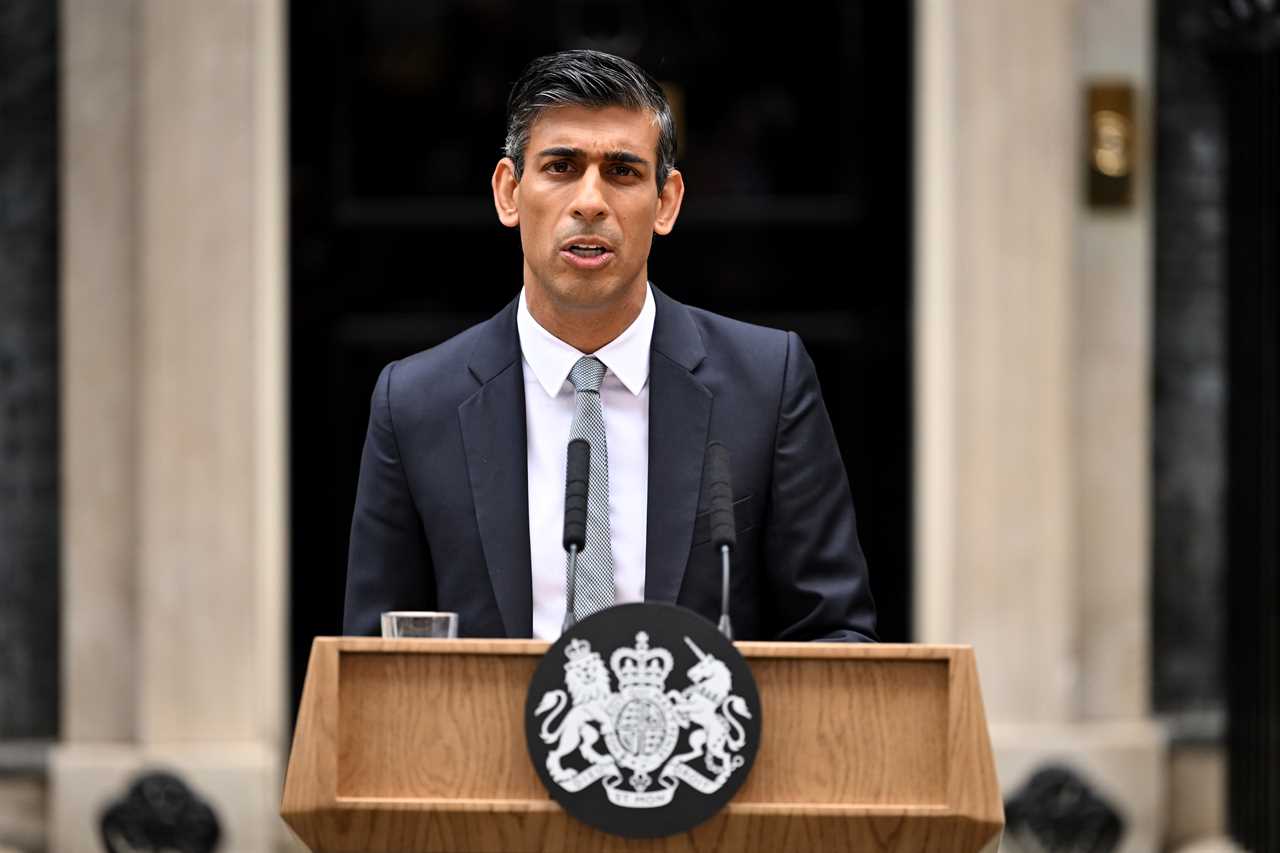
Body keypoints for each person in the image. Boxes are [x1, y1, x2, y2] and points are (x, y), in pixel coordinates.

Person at [343, 49, 876, 642]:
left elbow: (837, 636)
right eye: (561, 167)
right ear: (509, 193)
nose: (590, 201)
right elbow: (374, 664)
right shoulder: (416, 404)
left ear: (667, 201)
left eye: (622, 171)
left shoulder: (767, 383)